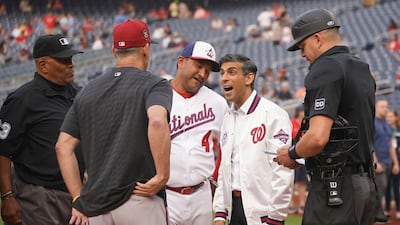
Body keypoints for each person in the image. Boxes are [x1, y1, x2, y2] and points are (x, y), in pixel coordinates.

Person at [55, 20, 172, 225]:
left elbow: (62, 146)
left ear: (113, 50)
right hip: (139, 198)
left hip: (96, 206)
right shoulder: (154, 84)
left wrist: (77, 198)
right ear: (146, 49)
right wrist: (162, 175)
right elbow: (157, 122)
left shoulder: (87, 90)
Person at [275, 8, 378, 225]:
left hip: (336, 188)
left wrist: (292, 153)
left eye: (303, 46)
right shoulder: (362, 67)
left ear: (318, 39)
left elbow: (318, 137)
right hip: (365, 184)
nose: (302, 54)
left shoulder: (325, 68)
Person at [0, 33, 84, 225]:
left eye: (70, 59)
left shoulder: (78, 93)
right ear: (43, 65)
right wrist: (7, 196)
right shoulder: (22, 100)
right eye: (63, 60)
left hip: (76, 192)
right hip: (39, 196)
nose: (70, 64)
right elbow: (2, 151)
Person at [213, 54, 293, 225]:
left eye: (231, 72)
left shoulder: (273, 114)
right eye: (222, 73)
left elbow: (283, 170)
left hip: (263, 214)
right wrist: (220, 212)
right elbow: (224, 168)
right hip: (233, 210)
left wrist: (275, 218)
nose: (224, 78)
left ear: (249, 78)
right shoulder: (227, 117)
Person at [166, 41, 228, 225]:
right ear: (180, 62)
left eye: (208, 70)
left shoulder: (217, 103)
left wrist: (215, 182)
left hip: (201, 195)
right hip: (166, 193)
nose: (202, 74)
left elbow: (227, 147)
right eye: (199, 65)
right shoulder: (157, 95)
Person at [374, 99, 399, 217]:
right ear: (376, 108)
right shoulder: (372, 123)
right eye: (382, 107)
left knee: (385, 189)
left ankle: (379, 212)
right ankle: (375, 214)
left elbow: (391, 146)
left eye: (386, 107)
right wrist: (375, 162)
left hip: (388, 162)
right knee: (379, 188)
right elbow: (370, 144)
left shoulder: (388, 126)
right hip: (379, 162)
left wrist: (396, 163)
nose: (385, 109)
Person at [288, 105, 308, 214]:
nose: (303, 113)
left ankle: (302, 204)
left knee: (302, 182)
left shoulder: (307, 124)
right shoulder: (292, 122)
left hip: (304, 157)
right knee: (291, 181)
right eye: (301, 111)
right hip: (293, 154)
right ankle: (290, 203)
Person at [385, 109, 400, 218]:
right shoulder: (385, 128)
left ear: (396, 117)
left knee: (396, 186)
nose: (389, 118)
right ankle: (387, 210)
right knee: (386, 186)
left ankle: (398, 209)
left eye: (391, 116)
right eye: (388, 116)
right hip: (386, 159)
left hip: (398, 160)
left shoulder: (398, 129)